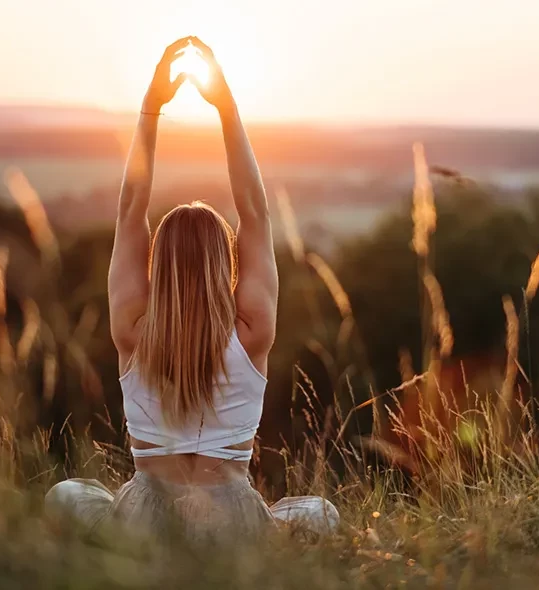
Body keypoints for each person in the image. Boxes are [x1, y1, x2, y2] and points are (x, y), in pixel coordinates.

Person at [45, 37, 336, 542]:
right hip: (234, 523)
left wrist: (151, 107)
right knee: (320, 515)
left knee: (65, 495)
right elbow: (256, 211)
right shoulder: (252, 333)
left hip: (144, 520)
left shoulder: (131, 329)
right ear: (224, 260)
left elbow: (130, 207)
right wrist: (226, 108)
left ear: (160, 261)